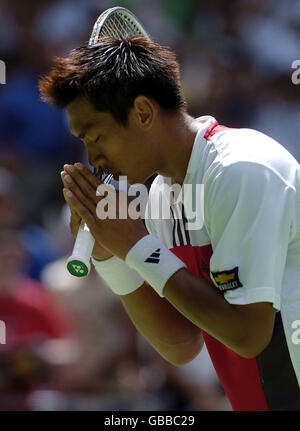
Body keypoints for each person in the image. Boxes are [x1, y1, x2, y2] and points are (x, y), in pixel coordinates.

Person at [38, 36, 300, 411]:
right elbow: (181, 344)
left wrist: (136, 245)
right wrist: (111, 256)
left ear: (143, 112)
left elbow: (247, 334)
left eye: (95, 136)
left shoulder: (241, 170)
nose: (93, 158)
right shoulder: (162, 193)